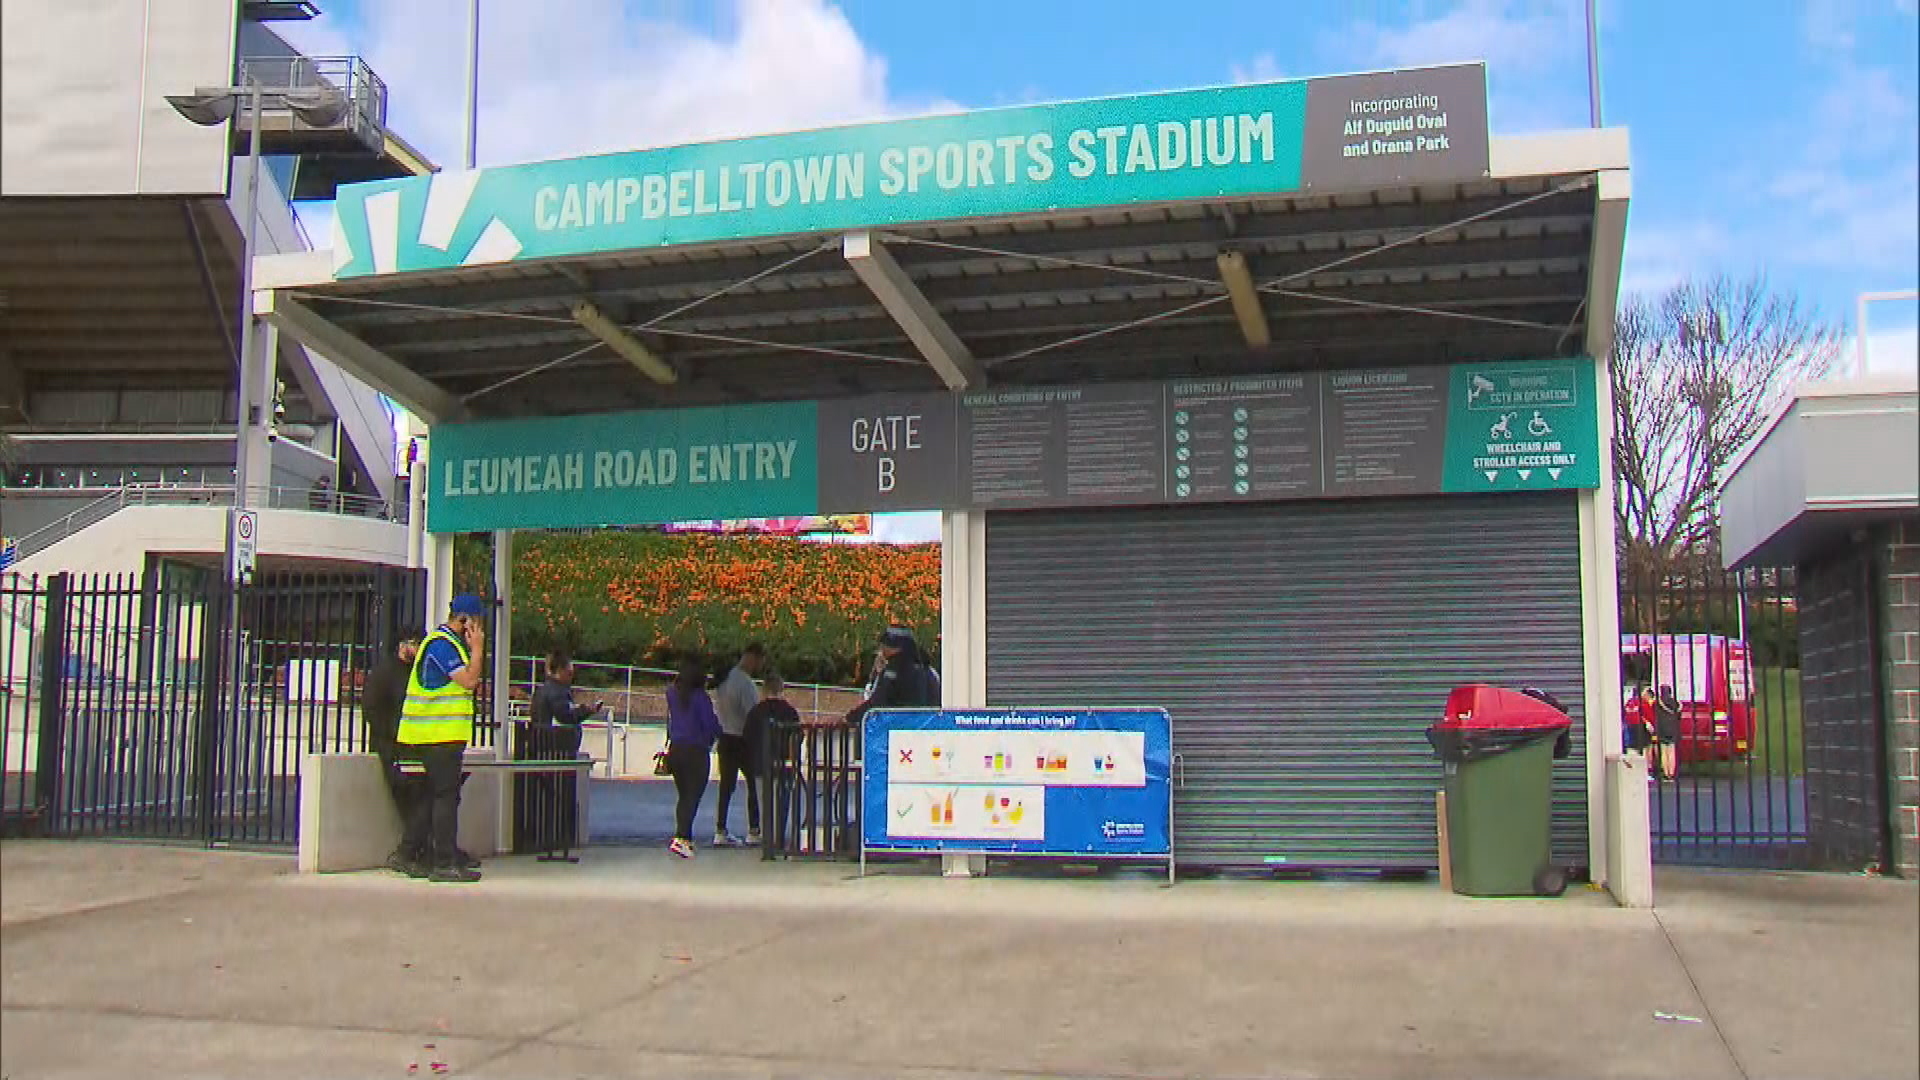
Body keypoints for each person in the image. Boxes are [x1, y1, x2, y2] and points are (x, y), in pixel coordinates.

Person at [396, 594, 490, 883]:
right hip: (435, 736)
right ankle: (444, 861)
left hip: (441, 736)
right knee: (445, 798)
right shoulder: (441, 645)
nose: (481, 629)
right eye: (478, 623)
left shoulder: (450, 645)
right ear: (466, 621)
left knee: (434, 796)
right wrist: (478, 649)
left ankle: (408, 852)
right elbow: (470, 681)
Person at [361, 635, 421, 874]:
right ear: (402, 645)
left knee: (422, 796)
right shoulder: (384, 673)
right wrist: (391, 735)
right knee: (407, 796)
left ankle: (420, 849)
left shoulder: (416, 673)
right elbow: (371, 709)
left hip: (413, 744)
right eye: (413, 643)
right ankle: (408, 852)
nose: (416, 649)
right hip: (390, 747)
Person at [664, 656, 722, 859]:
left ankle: (684, 837)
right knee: (693, 796)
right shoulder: (700, 698)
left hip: (676, 749)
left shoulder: (672, 694)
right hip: (696, 751)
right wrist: (716, 735)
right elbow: (709, 724)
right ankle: (681, 838)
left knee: (683, 796)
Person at [713, 643, 767, 846]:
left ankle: (720, 829)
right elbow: (753, 715)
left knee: (726, 786)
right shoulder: (745, 684)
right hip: (743, 738)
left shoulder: (725, 678)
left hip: (725, 736)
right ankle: (753, 830)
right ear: (753, 657)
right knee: (753, 785)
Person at [744, 673, 802, 843]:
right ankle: (779, 834)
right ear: (781, 688)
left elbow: (747, 737)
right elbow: (798, 736)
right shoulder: (790, 711)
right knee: (782, 801)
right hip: (784, 763)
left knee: (764, 801)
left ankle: (767, 835)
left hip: (761, 763)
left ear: (764, 690)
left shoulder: (756, 711)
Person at [846, 626, 936, 725]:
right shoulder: (928, 671)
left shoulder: (893, 669)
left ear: (894, 647)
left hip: (897, 727)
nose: (881, 649)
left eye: (884, 645)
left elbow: (878, 701)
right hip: (925, 726)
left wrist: (850, 718)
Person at [530, 651, 603, 727]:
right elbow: (566, 718)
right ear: (560, 671)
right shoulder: (558, 692)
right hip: (554, 737)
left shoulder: (540, 690)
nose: (571, 678)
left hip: (540, 736)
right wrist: (587, 710)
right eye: (569, 673)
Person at [1652, 685, 1683, 784]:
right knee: (1672, 752)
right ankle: (1672, 774)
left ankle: (1666, 773)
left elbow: (1655, 717)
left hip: (1662, 730)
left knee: (1664, 753)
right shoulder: (1676, 703)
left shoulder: (1658, 703)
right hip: (1673, 729)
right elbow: (1679, 717)